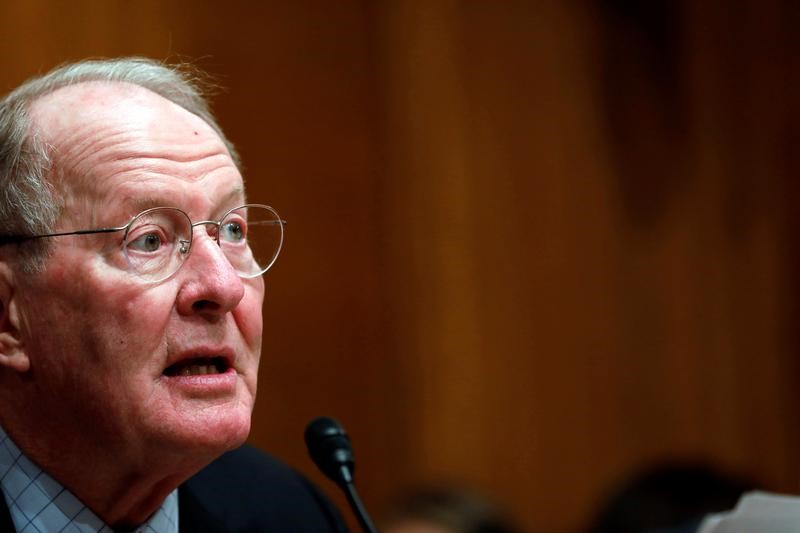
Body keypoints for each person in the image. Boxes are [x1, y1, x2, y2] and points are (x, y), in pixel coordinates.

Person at [0, 58, 346, 532]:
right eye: (149, 241)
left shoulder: (289, 514)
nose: (222, 288)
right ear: (8, 315)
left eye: (231, 230)